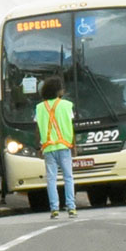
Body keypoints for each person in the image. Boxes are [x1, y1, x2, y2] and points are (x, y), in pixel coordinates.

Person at [35, 76, 77, 218]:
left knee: (51, 179)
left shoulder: (40, 107)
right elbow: (71, 127)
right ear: (58, 91)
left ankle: (54, 209)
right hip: (64, 146)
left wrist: (38, 147)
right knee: (68, 177)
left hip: (48, 148)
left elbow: (37, 128)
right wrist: (74, 146)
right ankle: (71, 207)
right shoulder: (67, 105)